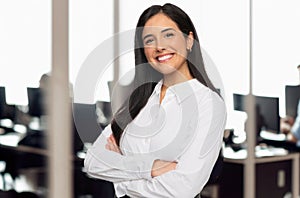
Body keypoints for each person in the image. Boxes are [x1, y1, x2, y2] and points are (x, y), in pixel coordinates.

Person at [84, 3, 226, 198]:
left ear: (189, 40)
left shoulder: (208, 104)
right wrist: (152, 168)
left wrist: (123, 180)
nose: (159, 47)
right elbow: (93, 162)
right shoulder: (139, 101)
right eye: (150, 40)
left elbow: (183, 188)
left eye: (169, 35)